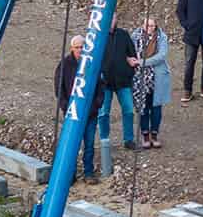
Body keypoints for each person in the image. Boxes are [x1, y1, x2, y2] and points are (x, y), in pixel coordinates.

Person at [54, 35, 107, 183]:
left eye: (82, 47)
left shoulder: (92, 63)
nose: (80, 50)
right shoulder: (65, 64)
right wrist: (65, 105)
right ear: (72, 48)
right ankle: (70, 174)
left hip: (90, 112)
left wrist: (97, 104)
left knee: (89, 144)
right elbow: (59, 88)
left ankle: (88, 173)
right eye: (77, 47)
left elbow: (101, 85)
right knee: (72, 145)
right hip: (72, 113)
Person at [98, 19, 139, 151]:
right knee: (103, 112)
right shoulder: (99, 35)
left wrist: (129, 68)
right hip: (105, 82)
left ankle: (129, 140)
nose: (111, 20)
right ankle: (104, 139)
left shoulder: (123, 34)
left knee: (128, 110)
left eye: (114, 17)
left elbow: (132, 54)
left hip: (123, 80)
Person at [134, 16, 170, 149]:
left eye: (152, 26)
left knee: (156, 107)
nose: (150, 28)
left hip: (157, 77)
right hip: (140, 78)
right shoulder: (135, 37)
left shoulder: (162, 37)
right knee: (143, 107)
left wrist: (143, 62)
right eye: (147, 26)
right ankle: (145, 135)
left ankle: (154, 135)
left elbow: (161, 56)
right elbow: (131, 53)